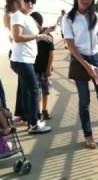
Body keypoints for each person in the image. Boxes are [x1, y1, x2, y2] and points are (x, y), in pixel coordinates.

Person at [62, 0, 98, 149]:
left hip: (96, 58)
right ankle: (88, 135)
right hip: (79, 59)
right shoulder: (68, 18)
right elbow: (70, 46)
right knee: (84, 101)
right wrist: (86, 65)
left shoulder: (97, 16)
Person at [9, 0, 52, 134]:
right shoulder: (17, 15)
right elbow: (17, 37)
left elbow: (33, 36)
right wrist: (38, 35)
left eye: (33, 2)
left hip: (27, 60)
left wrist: (44, 34)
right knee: (34, 90)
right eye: (27, 1)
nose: (30, 4)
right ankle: (34, 124)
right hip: (21, 60)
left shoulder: (28, 18)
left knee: (28, 91)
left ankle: (30, 120)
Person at [3, 0, 27, 126]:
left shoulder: (16, 13)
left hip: (20, 53)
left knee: (23, 84)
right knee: (26, 85)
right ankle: (24, 115)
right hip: (17, 53)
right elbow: (11, 33)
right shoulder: (10, 14)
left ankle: (22, 114)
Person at [30, 12, 54, 120]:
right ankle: (37, 112)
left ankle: (44, 110)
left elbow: (52, 53)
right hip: (33, 69)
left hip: (44, 69)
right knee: (36, 92)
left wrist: (49, 68)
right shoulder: (31, 36)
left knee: (45, 91)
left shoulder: (48, 36)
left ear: (38, 23)